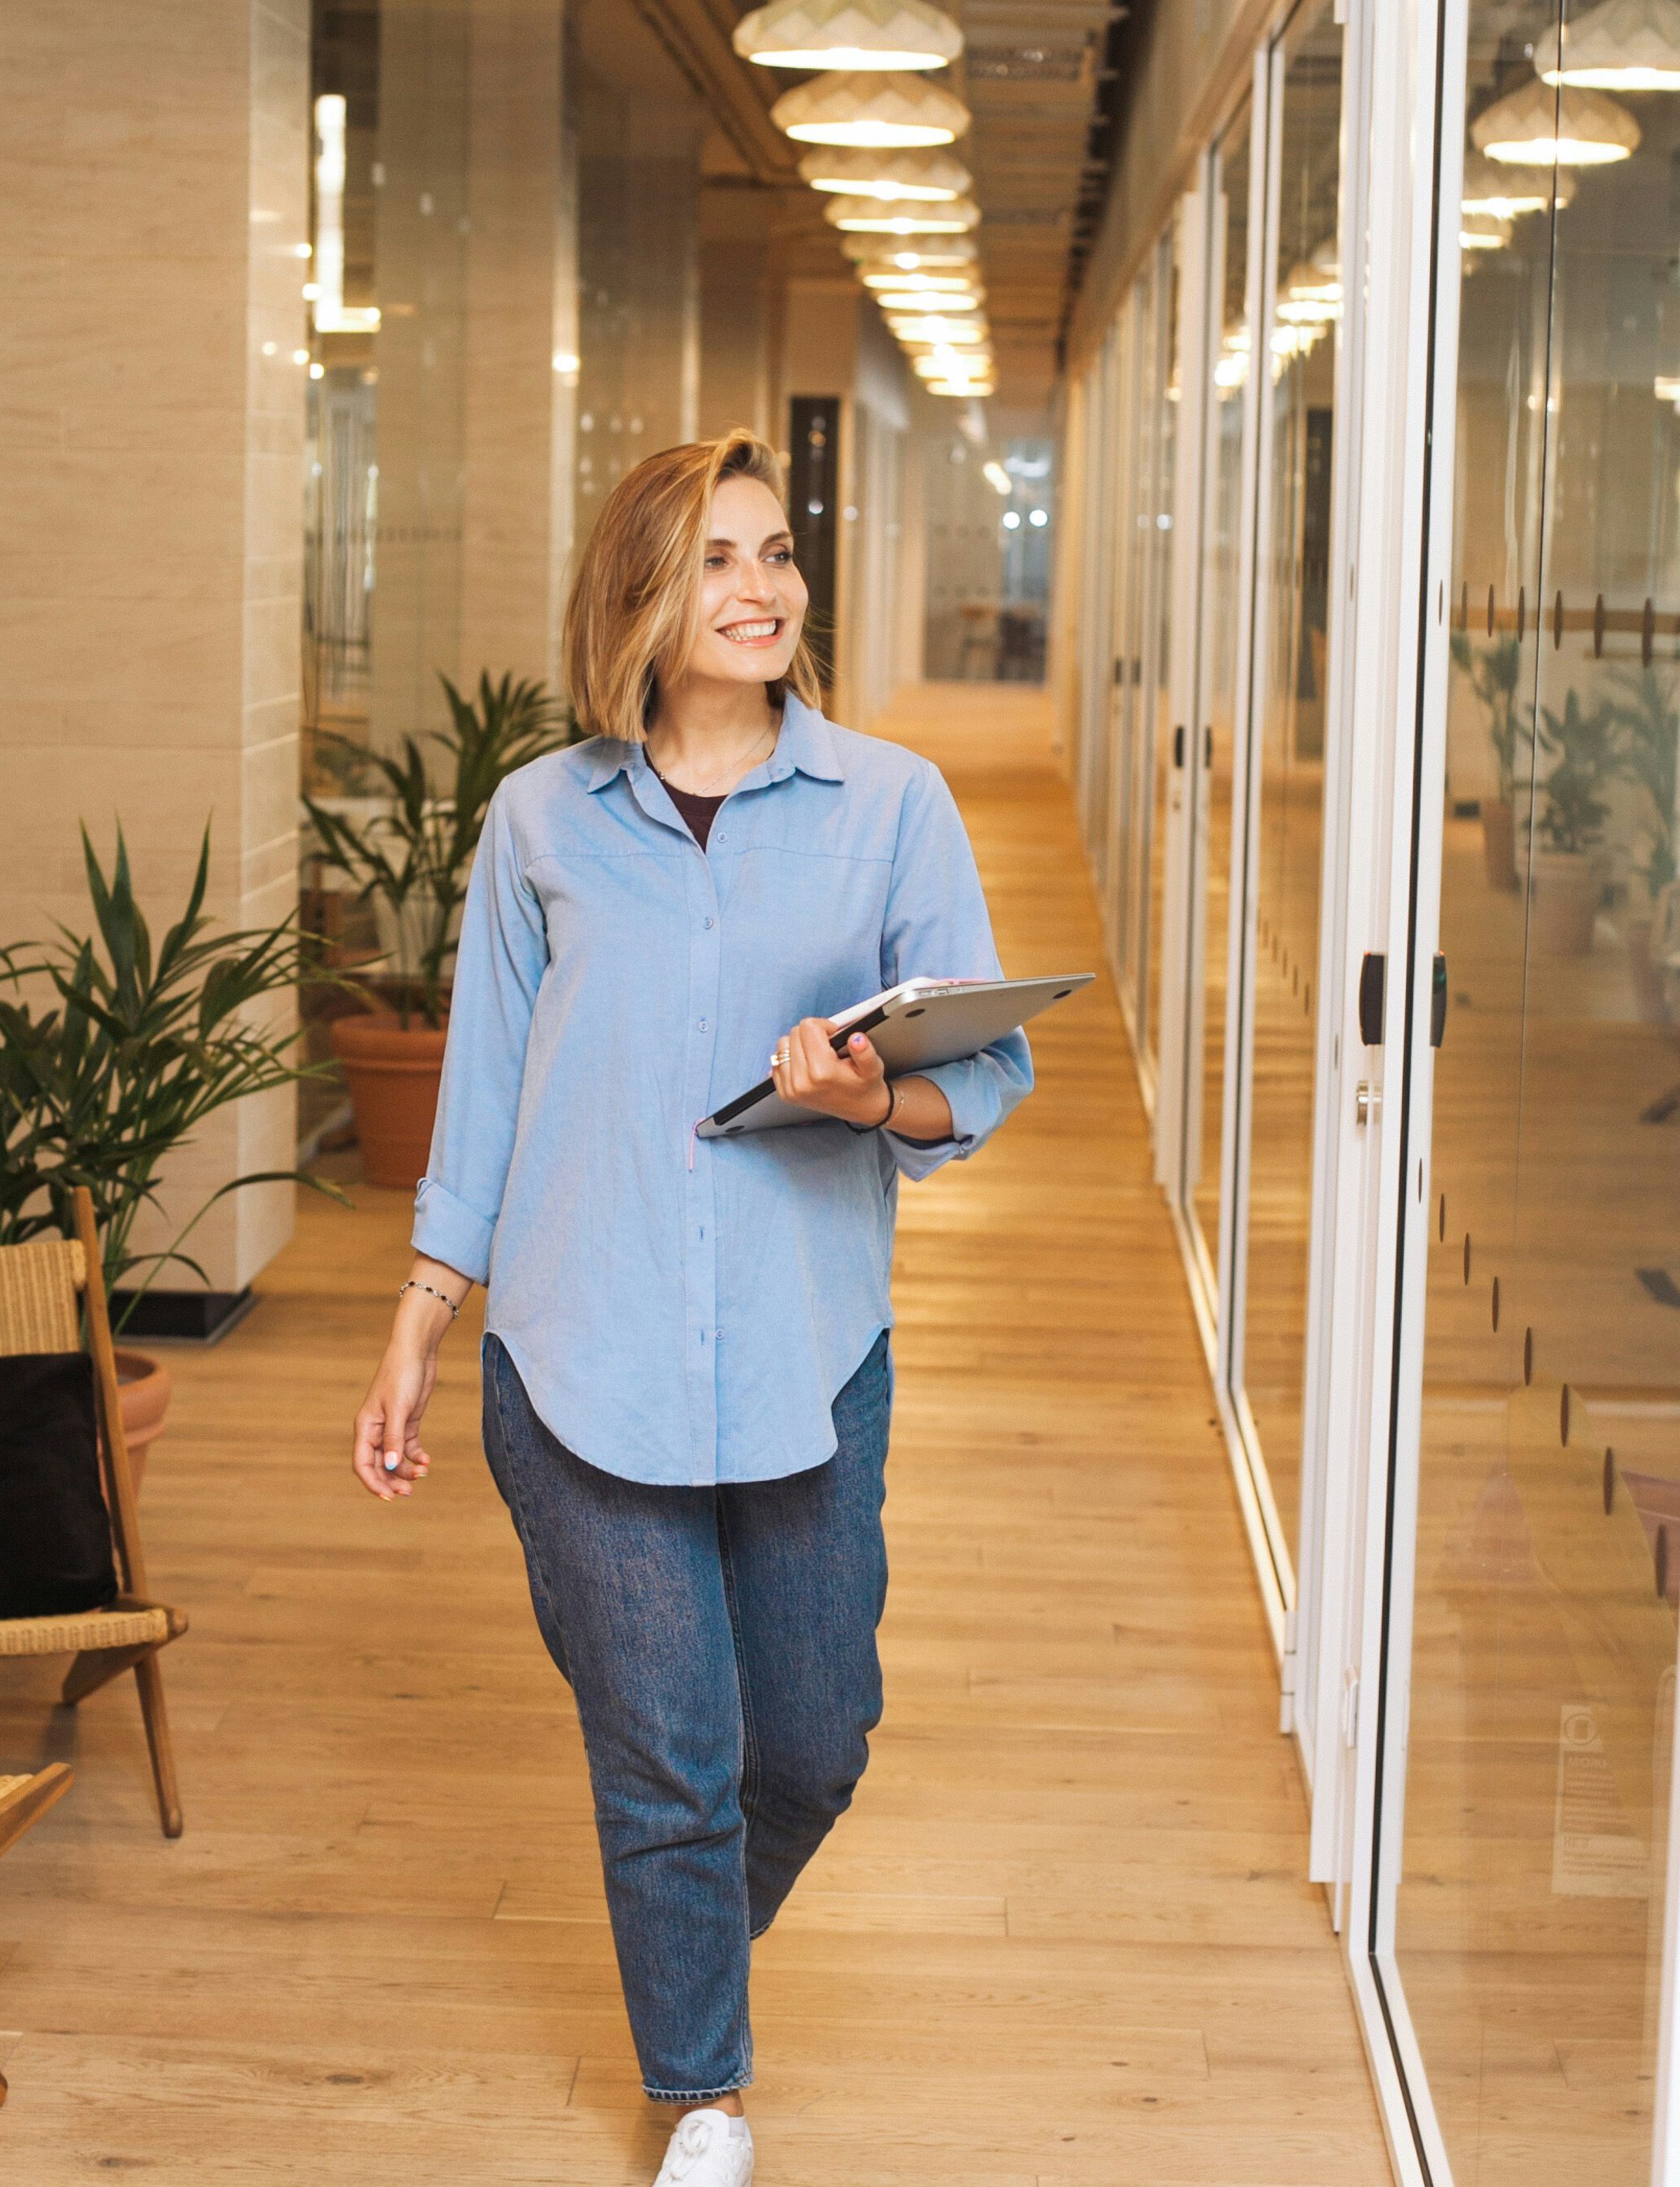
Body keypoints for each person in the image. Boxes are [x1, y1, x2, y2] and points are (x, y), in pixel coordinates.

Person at [350, 428, 1032, 2186]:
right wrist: (422, 1317)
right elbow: (484, 1087)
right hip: (578, 1352)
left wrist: (864, 1095)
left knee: (808, 1738)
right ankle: (702, 2093)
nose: (761, 589)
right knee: (671, 1751)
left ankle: (680, 1949)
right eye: (717, 558)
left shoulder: (889, 802)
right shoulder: (538, 818)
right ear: (642, 595)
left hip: (810, 1354)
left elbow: (988, 1072)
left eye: (778, 553)